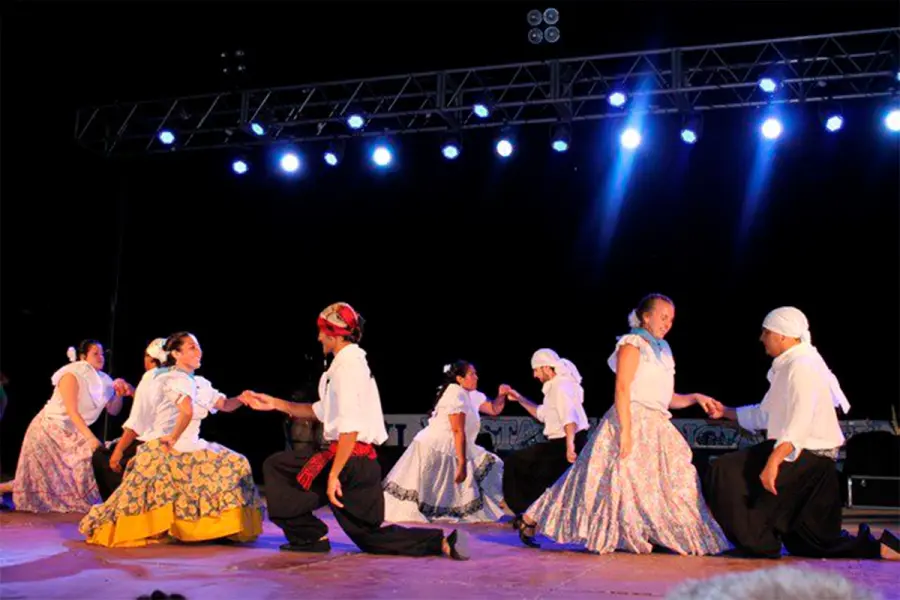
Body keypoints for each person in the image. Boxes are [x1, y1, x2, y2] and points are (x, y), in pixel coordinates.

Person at [242, 302, 470, 559]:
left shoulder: (348, 368)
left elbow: (349, 428)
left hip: (349, 463)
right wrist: (275, 404)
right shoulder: (347, 364)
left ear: (335, 334)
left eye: (321, 332)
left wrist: (333, 476)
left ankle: (310, 535)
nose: (318, 338)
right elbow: (321, 410)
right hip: (360, 463)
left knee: (277, 468)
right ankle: (440, 543)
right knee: (368, 534)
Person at [518, 294, 730, 554]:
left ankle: (659, 533)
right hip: (630, 418)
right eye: (663, 317)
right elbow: (622, 389)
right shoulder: (632, 344)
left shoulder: (663, 350)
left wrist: (696, 397)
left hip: (656, 424)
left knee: (675, 478)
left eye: (671, 319)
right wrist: (626, 432)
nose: (668, 323)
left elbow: (666, 398)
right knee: (592, 479)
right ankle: (531, 518)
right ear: (646, 316)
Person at [704, 306, 899, 560]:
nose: (761, 338)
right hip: (814, 462)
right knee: (810, 541)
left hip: (807, 458)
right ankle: (880, 548)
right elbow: (767, 414)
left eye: (766, 332)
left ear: (782, 336)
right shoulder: (791, 364)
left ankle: (759, 543)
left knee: (724, 471)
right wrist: (726, 411)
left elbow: (800, 420)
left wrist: (774, 461)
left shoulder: (802, 365)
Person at [79, 332, 264, 547]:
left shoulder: (201, 383)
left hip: (193, 444)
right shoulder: (170, 379)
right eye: (192, 347)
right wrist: (171, 438)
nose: (199, 352)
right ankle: (174, 526)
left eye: (198, 347)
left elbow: (224, 405)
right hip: (170, 444)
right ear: (176, 353)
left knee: (236, 462)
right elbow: (184, 411)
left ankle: (220, 527)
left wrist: (242, 398)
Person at [2, 341, 134, 512]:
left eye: (102, 354)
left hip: (73, 432)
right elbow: (72, 411)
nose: (101, 357)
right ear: (82, 357)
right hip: (48, 429)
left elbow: (114, 411)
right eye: (95, 353)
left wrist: (118, 394)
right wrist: (91, 438)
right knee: (37, 479)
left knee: (79, 467)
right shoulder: (71, 375)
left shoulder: (104, 380)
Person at [383, 360, 508, 523]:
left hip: (457, 447)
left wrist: (502, 395)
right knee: (423, 491)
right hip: (436, 447)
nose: (476, 377)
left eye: (475, 373)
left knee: (492, 465)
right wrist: (462, 463)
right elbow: (457, 430)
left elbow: (494, 409)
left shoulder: (473, 395)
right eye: (472, 374)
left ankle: (500, 503)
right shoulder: (455, 393)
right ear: (459, 379)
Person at [501, 348, 590, 533]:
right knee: (537, 474)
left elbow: (569, 416)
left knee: (517, 463)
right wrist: (519, 399)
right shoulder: (556, 386)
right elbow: (542, 414)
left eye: (536, 370)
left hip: (566, 442)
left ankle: (526, 516)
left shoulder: (560, 386)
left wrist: (570, 445)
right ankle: (530, 516)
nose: (534, 375)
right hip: (564, 442)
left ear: (545, 368)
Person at [91, 338, 167, 500]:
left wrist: (118, 451)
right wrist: (133, 392)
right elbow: (156, 407)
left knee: (101, 458)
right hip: (171, 440)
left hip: (152, 443)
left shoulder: (150, 377)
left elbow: (137, 422)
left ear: (150, 358)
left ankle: (118, 505)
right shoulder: (175, 375)